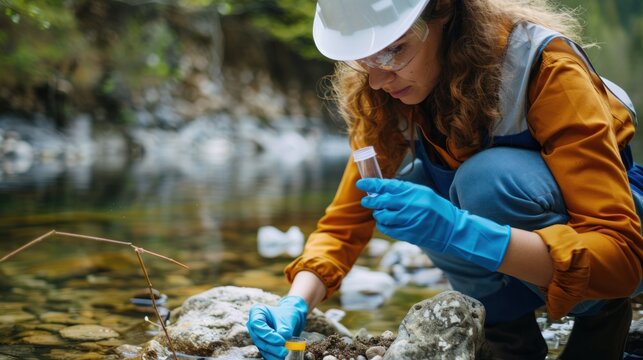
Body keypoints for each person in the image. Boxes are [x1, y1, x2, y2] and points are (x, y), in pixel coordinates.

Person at [247, 0, 643, 359]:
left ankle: (599, 316)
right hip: (531, 242)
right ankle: (509, 336)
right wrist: (297, 301)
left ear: (445, 12)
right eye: (362, 60)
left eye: (395, 50)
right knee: (411, 187)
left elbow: (622, 260)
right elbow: (345, 223)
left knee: (485, 180)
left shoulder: (545, 69)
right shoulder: (385, 96)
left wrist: (459, 231)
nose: (377, 80)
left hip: (616, 238)